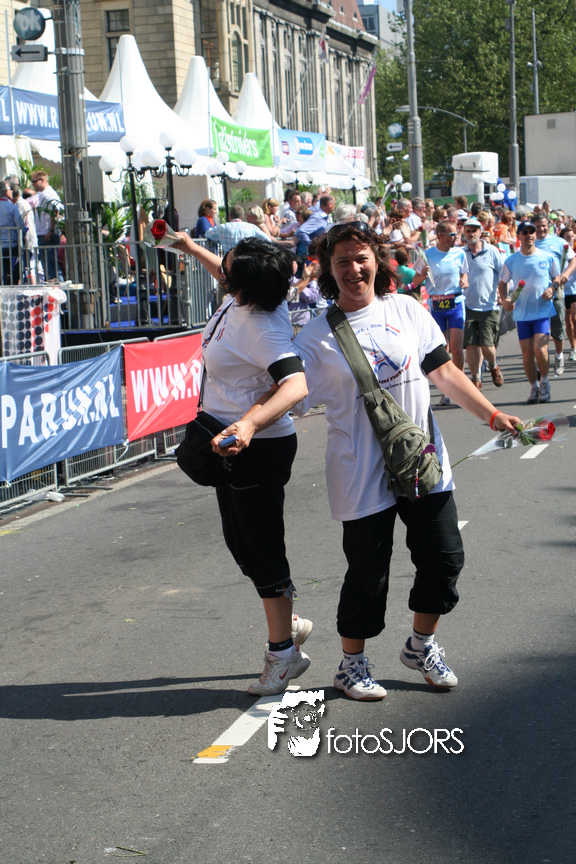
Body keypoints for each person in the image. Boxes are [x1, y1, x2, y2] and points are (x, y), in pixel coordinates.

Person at [291, 221, 521, 701]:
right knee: (368, 572)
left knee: (444, 558)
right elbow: (291, 397)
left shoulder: (407, 309)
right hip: (359, 469)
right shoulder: (314, 337)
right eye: (342, 261)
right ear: (329, 270)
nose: (354, 269)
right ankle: (351, 664)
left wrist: (492, 414)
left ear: (377, 259)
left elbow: (445, 372)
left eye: (361, 258)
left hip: (421, 461)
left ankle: (421, 645)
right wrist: (247, 423)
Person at [171, 233, 312, 696]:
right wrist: (189, 248)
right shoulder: (246, 297)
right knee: (242, 545)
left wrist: (249, 424)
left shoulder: (261, 327)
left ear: (244, 285)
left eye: (227, 269)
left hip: (257, 449)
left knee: (261, 549)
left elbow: (295, 386)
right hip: (228, 443)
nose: (221, 272)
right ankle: (287, 622)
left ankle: (282, 654)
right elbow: (225, 271)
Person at [498, 220, 561, 404]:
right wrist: (504, 300)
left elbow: (556, 277)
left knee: (540, 349)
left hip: (542, 311)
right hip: (522, 313)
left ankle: (545, 383)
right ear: (519, 236)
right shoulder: (511, 261)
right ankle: (533, 387)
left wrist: (553, 288)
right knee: (527, 354)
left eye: (531, 232)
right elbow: (502, 283)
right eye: (524, 232)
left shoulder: (547, 257)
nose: (529, 235)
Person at [415, 221, 469, 406]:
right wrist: (422, 274)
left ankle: (460, 387)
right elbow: (415, 280)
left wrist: (464, 281)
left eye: (456, 234)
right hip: (437, 305)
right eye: (452, 235)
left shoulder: (460, 253)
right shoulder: (427, 255)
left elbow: (464, 273)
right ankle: (446, 389)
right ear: (440, 236)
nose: (456, 238)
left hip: (456, 302)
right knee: (441, 349)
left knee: (456, 347)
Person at [462, 217, 505, 389]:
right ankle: (476, 378)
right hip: (467, 306)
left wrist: (502, 294)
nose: (471, 233)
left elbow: (504, 275)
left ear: (480, 232)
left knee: (486, 346)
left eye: (474, 230)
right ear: (464, 233)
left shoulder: (491, 251)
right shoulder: (461, 253)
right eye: (468, 231)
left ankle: (493, 366)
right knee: (471, 345)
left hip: (488, 306)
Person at [533, 213, 576, 376]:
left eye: (543, 225)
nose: (541, 229)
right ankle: (540, 362)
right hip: (536, 292)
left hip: (556, 286)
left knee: (558, 326)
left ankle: (559, 355)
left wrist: (566, 274)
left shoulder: (558, 242)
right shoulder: (530, 242)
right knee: (538, 328)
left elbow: (573, 259)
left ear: (549, 225)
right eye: (537, 226)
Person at [29, 170, 63, 282]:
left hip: (47, 236)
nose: (33, 184)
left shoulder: (47, 194)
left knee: (51, 268)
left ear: (42, 180)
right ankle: (57, 288)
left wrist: (51, 230)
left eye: (34, 181)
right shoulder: (45, 193)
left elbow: (56, 210)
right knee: (50, 268)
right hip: (46, 234)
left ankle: (57, 290)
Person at [204, 204, 273, 254]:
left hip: (230, 263)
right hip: (247, 260)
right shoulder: (252, 227)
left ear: (229, 216)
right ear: (242, 217)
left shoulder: (223, 228)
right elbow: (267, 239)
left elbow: (207, 234)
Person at [0, 180, 26, 285]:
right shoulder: (11, 206)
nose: (11, 191)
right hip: (11, 244)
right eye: (9, 189)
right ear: (5, 192)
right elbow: (21, 225)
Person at [559, 226, 576, 361]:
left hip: (575, 289)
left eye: (572, 236)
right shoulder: (560, 251)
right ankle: (573, 347)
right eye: (567, 237)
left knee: (574, 318)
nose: (570, 238)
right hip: (562, 290)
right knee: (568, 321)